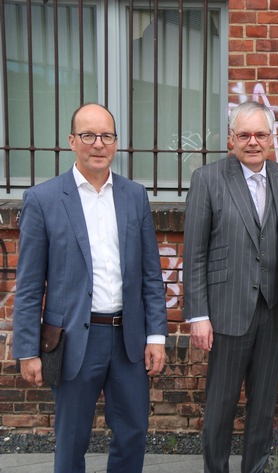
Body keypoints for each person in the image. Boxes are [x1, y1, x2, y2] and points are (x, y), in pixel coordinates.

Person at [12, 103, 168, 473]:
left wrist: (157, 336)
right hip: (73, 341)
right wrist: (26, 350)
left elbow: (150, 273)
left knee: (133, 432)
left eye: (107, 136)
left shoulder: (134, 196)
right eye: (88, 135)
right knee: (72, 438)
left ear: (116, 143)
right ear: (72, 141)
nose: (98, 144)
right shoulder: (44, 200)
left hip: (128, 338)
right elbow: (30, 285)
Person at [183, 100, 278, 473]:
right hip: (226, 312)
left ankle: (255, 467)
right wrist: (198, 315)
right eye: (244, 135)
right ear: (231, 139)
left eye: (260, 134)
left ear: (271, 139)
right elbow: (194, 252)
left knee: (263, 406)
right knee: (221, 406)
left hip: (274, 312)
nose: (252, 142)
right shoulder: (208, 179)